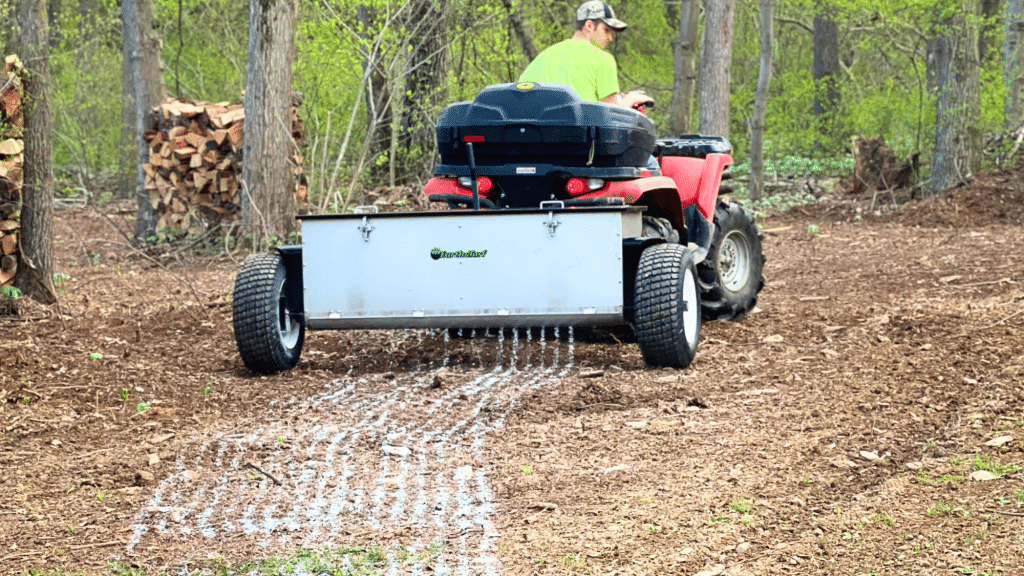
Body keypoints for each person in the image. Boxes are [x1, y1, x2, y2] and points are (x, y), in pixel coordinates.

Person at [518, 0, 652, 110]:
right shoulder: (603, 60)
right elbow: (612, 114)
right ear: (589, 25)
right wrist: (631, 100)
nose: (610, 38)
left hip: (534, 140)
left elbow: (520, 100)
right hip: (579, 140)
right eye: (606, 30)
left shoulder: (541, 59)